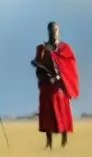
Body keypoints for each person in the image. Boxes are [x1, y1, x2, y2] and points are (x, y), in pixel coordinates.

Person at [33, 21, 79, 149]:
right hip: (46, 87)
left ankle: (64, 141)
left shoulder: (65, 48)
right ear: (48, 31)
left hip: (59, 87)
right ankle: (49, 143)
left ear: (59, 31)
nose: (54, 33)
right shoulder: (42, 48)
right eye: (52, 30)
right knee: (47, 114)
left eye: (56, 30)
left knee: (62, 113)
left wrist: (57, 77)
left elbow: (70, 68)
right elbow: (38, 69)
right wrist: (45, 78)